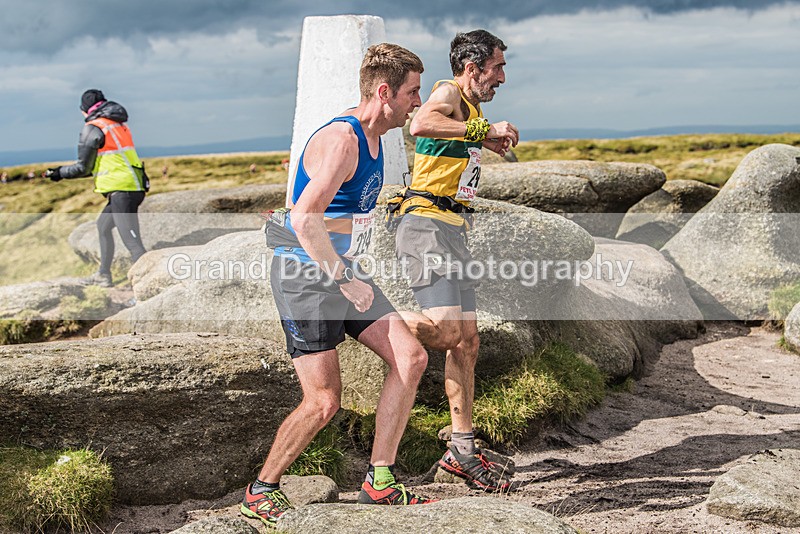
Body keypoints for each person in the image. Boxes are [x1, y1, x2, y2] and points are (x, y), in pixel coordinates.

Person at [241, 43, 432, 527]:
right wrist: (345, 278)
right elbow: (305, 219)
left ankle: (379, 481)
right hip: (307, 276)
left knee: (410, 357)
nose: (418, 101)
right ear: (385, 91)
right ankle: (261, 489)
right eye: (412, 92)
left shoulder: (377, 137)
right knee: (324, 402)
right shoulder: (343, 140)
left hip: (339, 269)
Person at [394, 30, 520, 492]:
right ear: (473, 69)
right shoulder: (447, 92)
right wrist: (483, 131)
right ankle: (357, 320)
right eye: (498, 67)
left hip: (452, 227)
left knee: (466, 342)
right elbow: (419, 125)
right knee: (446, 331)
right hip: (424, 225)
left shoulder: (471, 107)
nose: (503, 77)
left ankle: (461, 451)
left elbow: (447, 145)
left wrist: (484, 142)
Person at [46, 89, 148, 287]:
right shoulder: (116, 124)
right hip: (130, 186)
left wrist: (58, 173)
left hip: (122, 190)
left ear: (84, 110)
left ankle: (146, 289)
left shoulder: (93, 128)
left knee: (134, 245)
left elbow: (83, 167)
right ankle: (103, 275)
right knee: (103, 227)